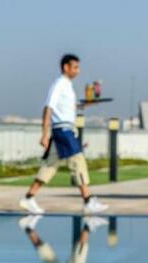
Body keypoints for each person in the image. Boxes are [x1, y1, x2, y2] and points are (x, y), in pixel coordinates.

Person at [19, 54, 108, 215]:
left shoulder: (68, 86)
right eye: (75, 67)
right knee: (78, 162)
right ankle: (88, 201)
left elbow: (67, 108)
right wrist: (44, 134)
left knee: (49, 166)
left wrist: (85, 104)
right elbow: (48, 108)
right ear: (66, 67)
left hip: (65, 130)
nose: (78, 71)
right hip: (63, 131)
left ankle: (29, 198)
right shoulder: (59, 84)